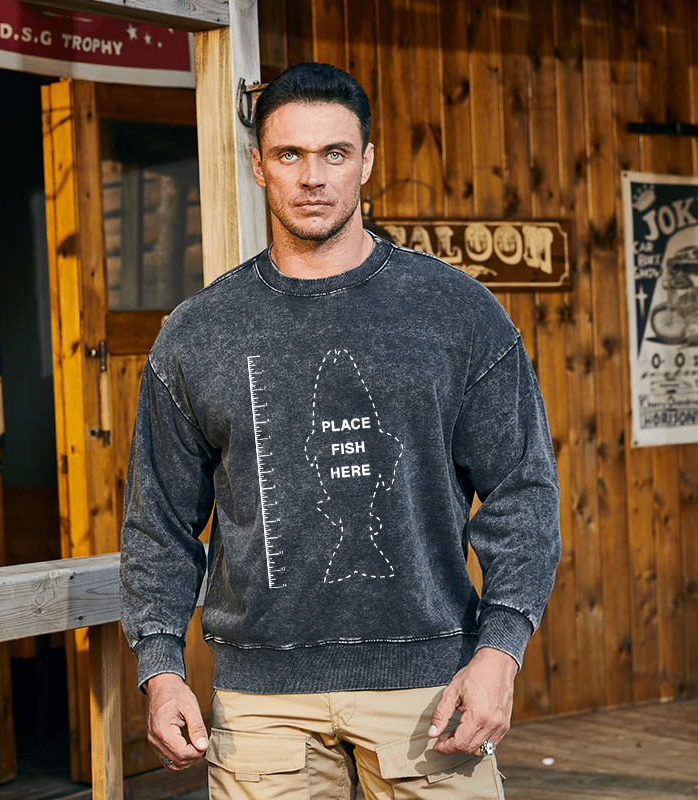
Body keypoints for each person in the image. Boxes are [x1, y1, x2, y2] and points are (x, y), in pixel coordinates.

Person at [120, 62, 561, 799]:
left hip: (429, 689)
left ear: (367, 161)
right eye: (289, 154)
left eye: (334, 153)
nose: (312, 177)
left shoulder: (456, 313)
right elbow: (157, 522)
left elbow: (523, 492)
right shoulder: (198, 333)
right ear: (258, 166)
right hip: (262, 705)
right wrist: (161, 668)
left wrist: (501, 651)